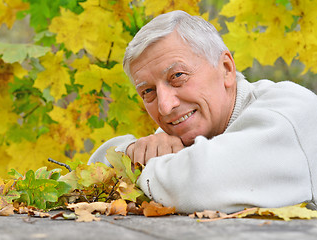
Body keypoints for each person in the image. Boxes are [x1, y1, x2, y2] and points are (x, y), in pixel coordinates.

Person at [88, 10, 317, 213]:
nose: (165, 106)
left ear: (226, 69)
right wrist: (129, 150)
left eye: (177, 76)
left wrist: (135, 169)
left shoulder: (290, 110)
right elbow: (89, 179)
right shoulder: (187, 129)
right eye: (148, 91)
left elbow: (202, 183)